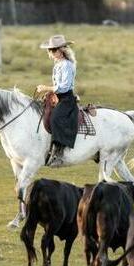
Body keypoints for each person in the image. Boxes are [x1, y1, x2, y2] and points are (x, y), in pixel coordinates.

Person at [35, 35, 78, 167]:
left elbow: (64, 87)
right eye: (50, 50)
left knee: (56, 118)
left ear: (61, 50)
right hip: (58, 97)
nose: (51, 53)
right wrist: (49, 92)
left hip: (66, 98)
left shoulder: (66, 65)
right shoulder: (58, 65)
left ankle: (59, 152)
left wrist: (46, 88)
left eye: (53, 50)